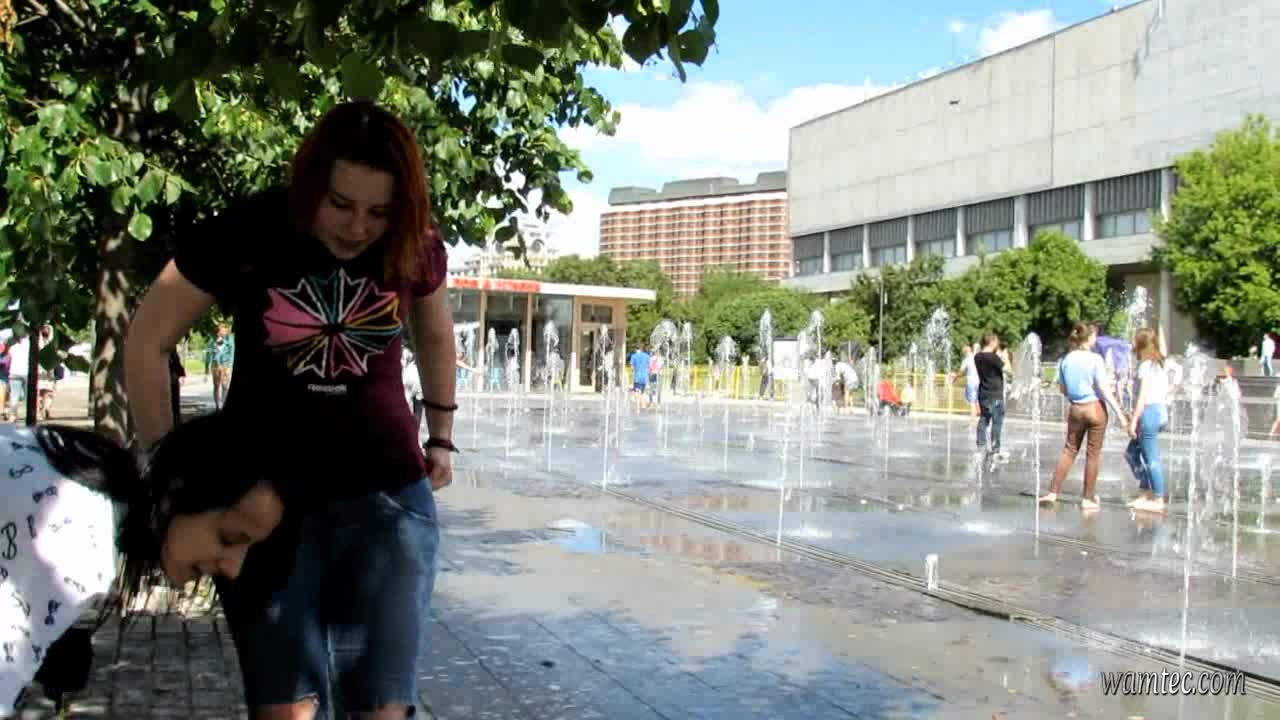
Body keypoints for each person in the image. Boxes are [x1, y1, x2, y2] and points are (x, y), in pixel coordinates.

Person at [124, 100, 454, 720]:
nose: (357, 228)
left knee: (384, 710)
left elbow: (435, 335)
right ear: (310, 184)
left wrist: (441, 435)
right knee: (287, 713)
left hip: (386, 500)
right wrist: (176, 484)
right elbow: (146, 340)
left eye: (378, 212)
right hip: (260, 509)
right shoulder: (250, 228)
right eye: (341, 204)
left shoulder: (415, 241)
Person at [2, 412, 285, 716]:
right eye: (229, 537)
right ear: (177, 492)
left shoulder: (79, 473)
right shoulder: (79, 543)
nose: (234, 569)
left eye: (249, 549)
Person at [1040, 322, 1128, 511]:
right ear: (1089, 338)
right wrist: (1120, 414)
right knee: (1093, 455)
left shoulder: (1066, 360)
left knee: (1069, 450)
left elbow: (1063, 389)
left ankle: (1052, 493)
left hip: (1076, 409)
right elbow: (1103, 388)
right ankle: (1087, 499)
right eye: (1095, 335)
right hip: (1095, 408)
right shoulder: (1095, 359)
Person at [1124, 328, 1170, 513]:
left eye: (1134, 340)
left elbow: (1142, 396)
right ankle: (1145, 491)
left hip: (1150, 412)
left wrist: (1134, 420)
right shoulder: (1158, 363)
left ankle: (1158, 498)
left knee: (1151, 458)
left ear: (1142, 343)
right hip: (1158, 412)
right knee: (1131, 453)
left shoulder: (1146, 365)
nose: (1132, 343)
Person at [973, 334, 1011, 458]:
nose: (998, 344)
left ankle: (981, 446)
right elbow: (1009, 371)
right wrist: (1005, 358)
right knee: (997, 422)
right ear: (992, 342)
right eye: (997, 341)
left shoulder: (977, 356)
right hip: (995, 394)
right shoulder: (993, 358)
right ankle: (995, 449)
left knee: (984, 419)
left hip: (983, 393)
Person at [205, 322, 235, 410]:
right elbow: (208, 355)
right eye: (223, 330)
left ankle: (223, 404)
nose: (225, 332)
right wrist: (206, 370)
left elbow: (232, 353)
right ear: (218, 331)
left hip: (226, 365)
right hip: (215, 366)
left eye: (226, 330)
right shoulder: (212, 340)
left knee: (225, 386)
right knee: (216, 386)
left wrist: (230, 366)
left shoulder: (230, 339)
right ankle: (217, 406)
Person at [955, 345, 980, 419]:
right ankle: (980, 418)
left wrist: (955, 377)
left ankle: (973, 420)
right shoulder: (978, 358)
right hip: (980, 382)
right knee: (977, 401)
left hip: (971, 383)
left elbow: (961, 372)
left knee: (972, 402)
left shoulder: (966, 360)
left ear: (965, 352)